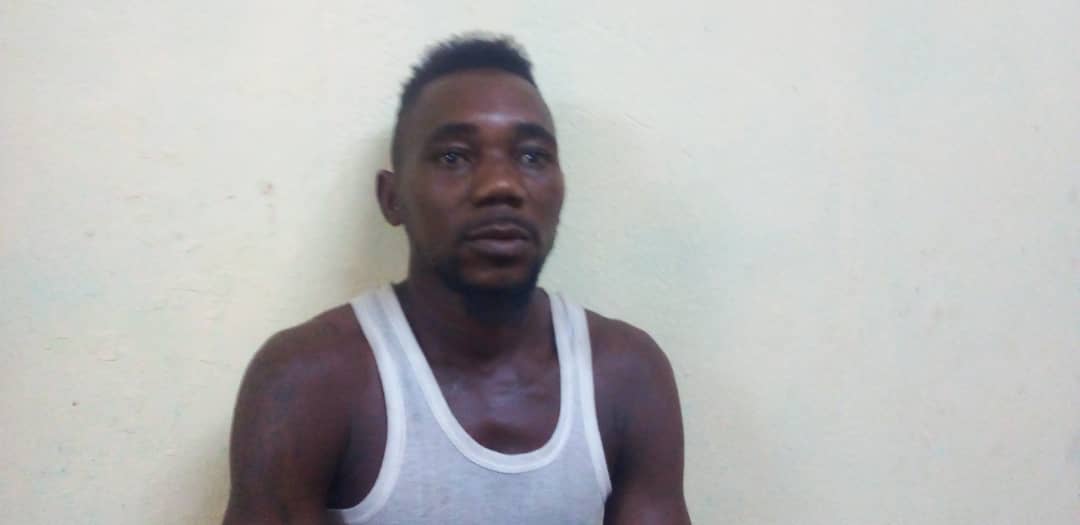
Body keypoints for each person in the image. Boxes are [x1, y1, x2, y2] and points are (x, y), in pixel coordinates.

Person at [222, 35, 690, 525]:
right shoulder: (308, 379)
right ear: (391, 198)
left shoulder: (626, 375)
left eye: (532, 156)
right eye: (453, 157)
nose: (501, 185)